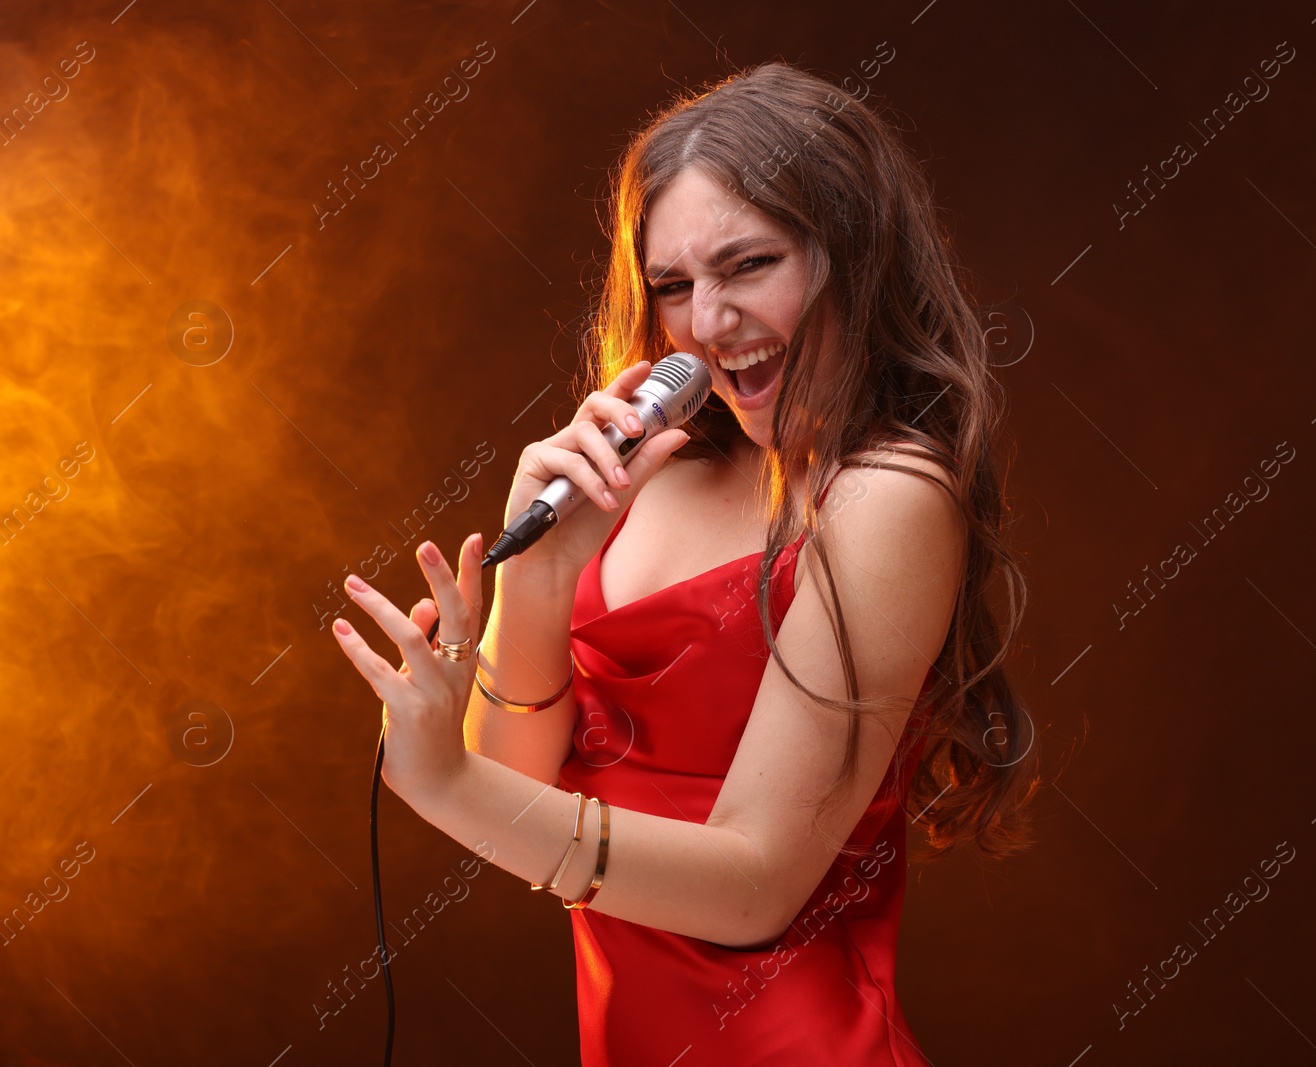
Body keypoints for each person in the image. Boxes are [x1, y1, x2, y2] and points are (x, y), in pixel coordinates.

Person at [332, 60, 1042, 1065]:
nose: (706, 325)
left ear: (854, 255)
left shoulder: (890, 495)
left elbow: (753, 889)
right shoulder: (647, 483)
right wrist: (536, 577)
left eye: (749, 265)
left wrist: (444, 783)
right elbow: (512, 793)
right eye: (674, 284)